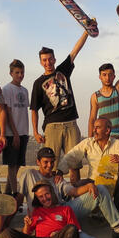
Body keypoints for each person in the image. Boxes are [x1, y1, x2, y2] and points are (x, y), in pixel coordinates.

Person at [56, 120, 119, 238]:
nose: (94, 130)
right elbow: (72, 156)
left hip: (113, 183)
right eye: (94, 127)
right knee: (77, 185)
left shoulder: (118, 144)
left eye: (97, 128)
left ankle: (115, 211)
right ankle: (94, 216)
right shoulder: (88, 143)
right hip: (93, 181)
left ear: (107, 130)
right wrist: (59, 171)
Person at [30, 32, 88, 165]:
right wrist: (35, 131)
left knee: (74, 164)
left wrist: (86, 31)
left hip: (71, 124)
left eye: (50, 59)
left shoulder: (63, 71)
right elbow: (34, 109)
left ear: (54, 59)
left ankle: (75, 186)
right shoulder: (38, 83)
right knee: (51, 165)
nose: (48, 62)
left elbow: (74, 52)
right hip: (52, 126)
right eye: (44, 60)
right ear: (40, 62)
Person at [2, 59, 29, 196]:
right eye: (17, 72)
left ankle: (7, 193)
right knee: (11, 165)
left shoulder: (24, 90)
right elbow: (8, 112)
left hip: (24, 131)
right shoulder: (7, 90)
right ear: (11, 73)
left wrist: (23, 133)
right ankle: (14, 193)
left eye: (22, 72)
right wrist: (15, 133)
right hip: (12, 133)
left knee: (17, 165)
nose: (20, 75)